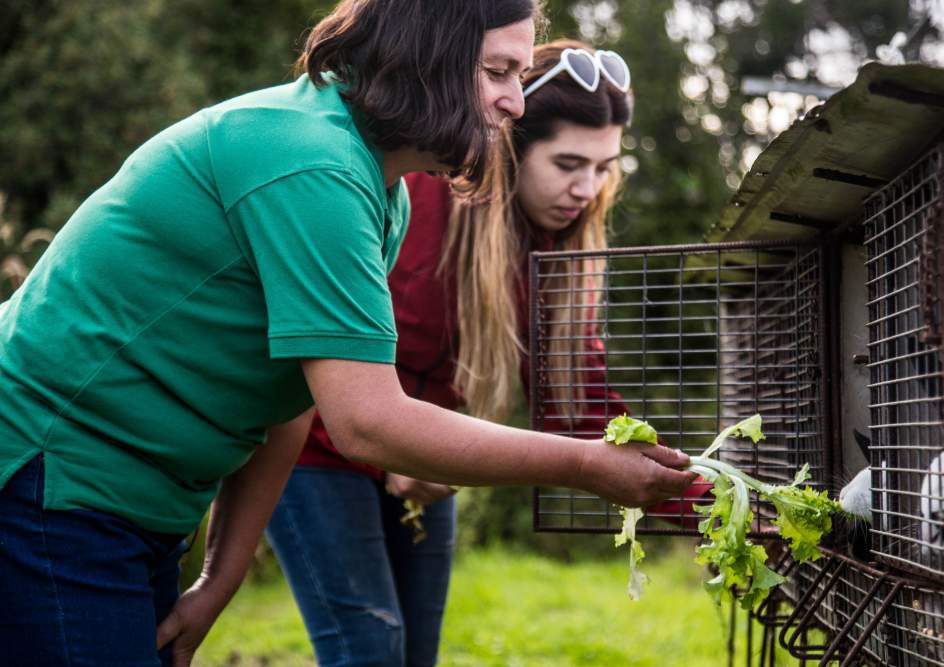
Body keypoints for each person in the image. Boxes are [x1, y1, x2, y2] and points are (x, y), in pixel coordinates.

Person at [0, 2, 695, 665]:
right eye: (498, 72)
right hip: (52, 478)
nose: (515, 102)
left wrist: (219, 578)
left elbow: (290, 400)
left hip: (134, 507)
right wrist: (582, 465)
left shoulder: (377, 188)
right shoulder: (316, 164)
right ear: (428, 57)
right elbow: (364, 421)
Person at [267, 40, 705, 667]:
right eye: (569, 163)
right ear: (511, 148)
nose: (587, 188)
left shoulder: (554, 257)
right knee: (369, 647)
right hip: (314, 446)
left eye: (605, 167)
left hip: (425, 461)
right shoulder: (417, 202)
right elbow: (316, 340)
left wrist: (716, 514)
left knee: (416, 654)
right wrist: (393, 445)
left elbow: (583, 408)